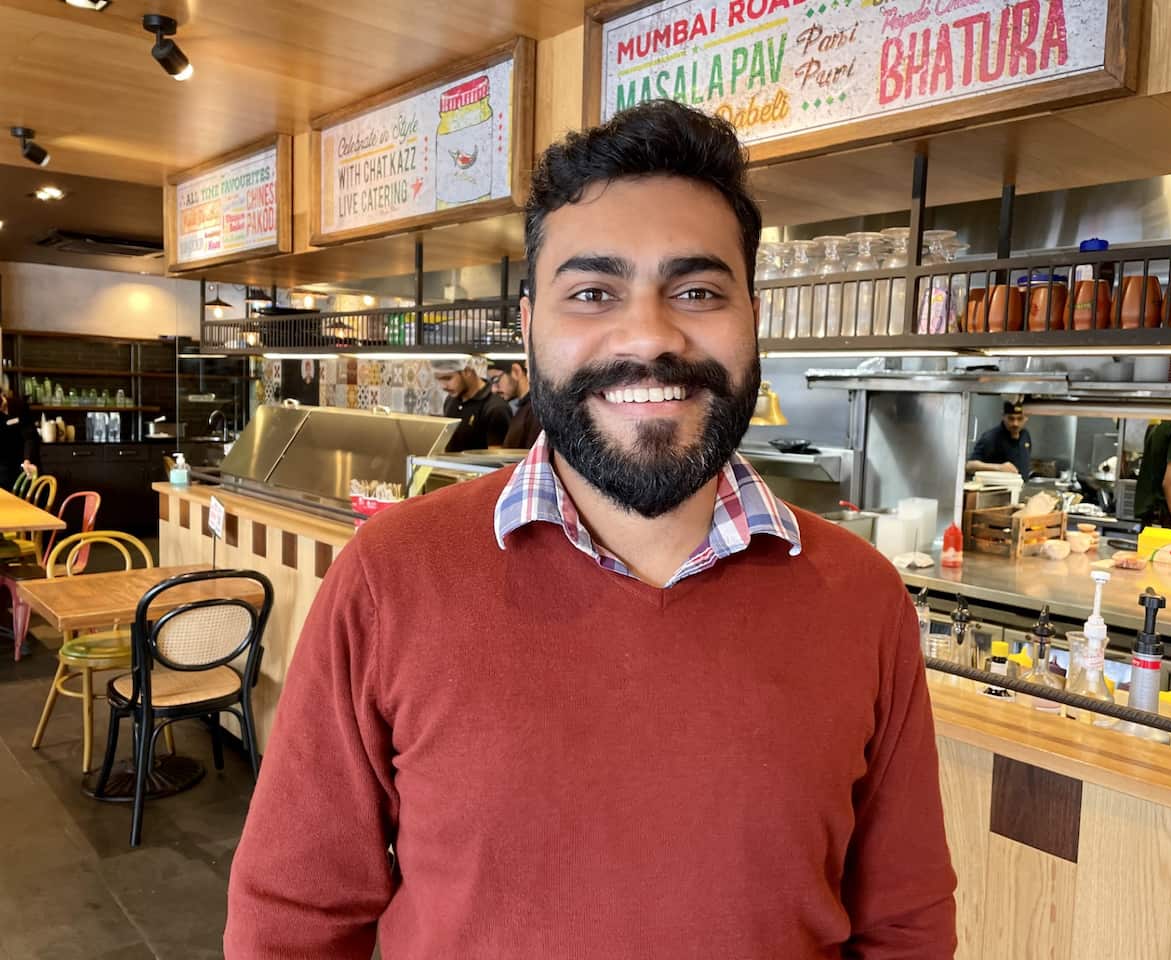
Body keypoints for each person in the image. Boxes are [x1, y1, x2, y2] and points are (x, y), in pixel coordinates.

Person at [226, 100, 956, 958]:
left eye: (697, 290)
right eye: (594, 292)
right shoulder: (393, 575)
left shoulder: (862, 597)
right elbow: (293, 920)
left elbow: (904, 925)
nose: (649, 333)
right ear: (530, 324)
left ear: (753, 318)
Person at [433, 355, 511, 452]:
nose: (443, 386)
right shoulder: (451, 401)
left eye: (448, 378)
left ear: (467, 371)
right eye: (438, 379)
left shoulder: (495, 408)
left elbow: (496, 458)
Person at [966, 400, 1033, 478]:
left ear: (1026, 417)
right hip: (999, 489)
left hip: (1021, 487)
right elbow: (969, 466)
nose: (1015, 423)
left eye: (1020, 419)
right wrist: (998, 467)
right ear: (1003, 416)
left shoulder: (1025, 434)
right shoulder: (990, 437)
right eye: (1011, 418)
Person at [488, 357, 541, 448]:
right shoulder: (525, 408)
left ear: (516, 371)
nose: (493, 389)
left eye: (496, 379)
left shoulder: (535, 411)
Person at [0, 389, 39, 492]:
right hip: (3, 464)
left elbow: (30, 437)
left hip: (23, 463)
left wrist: (27, 459)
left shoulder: (19, 406)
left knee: (26, 498)